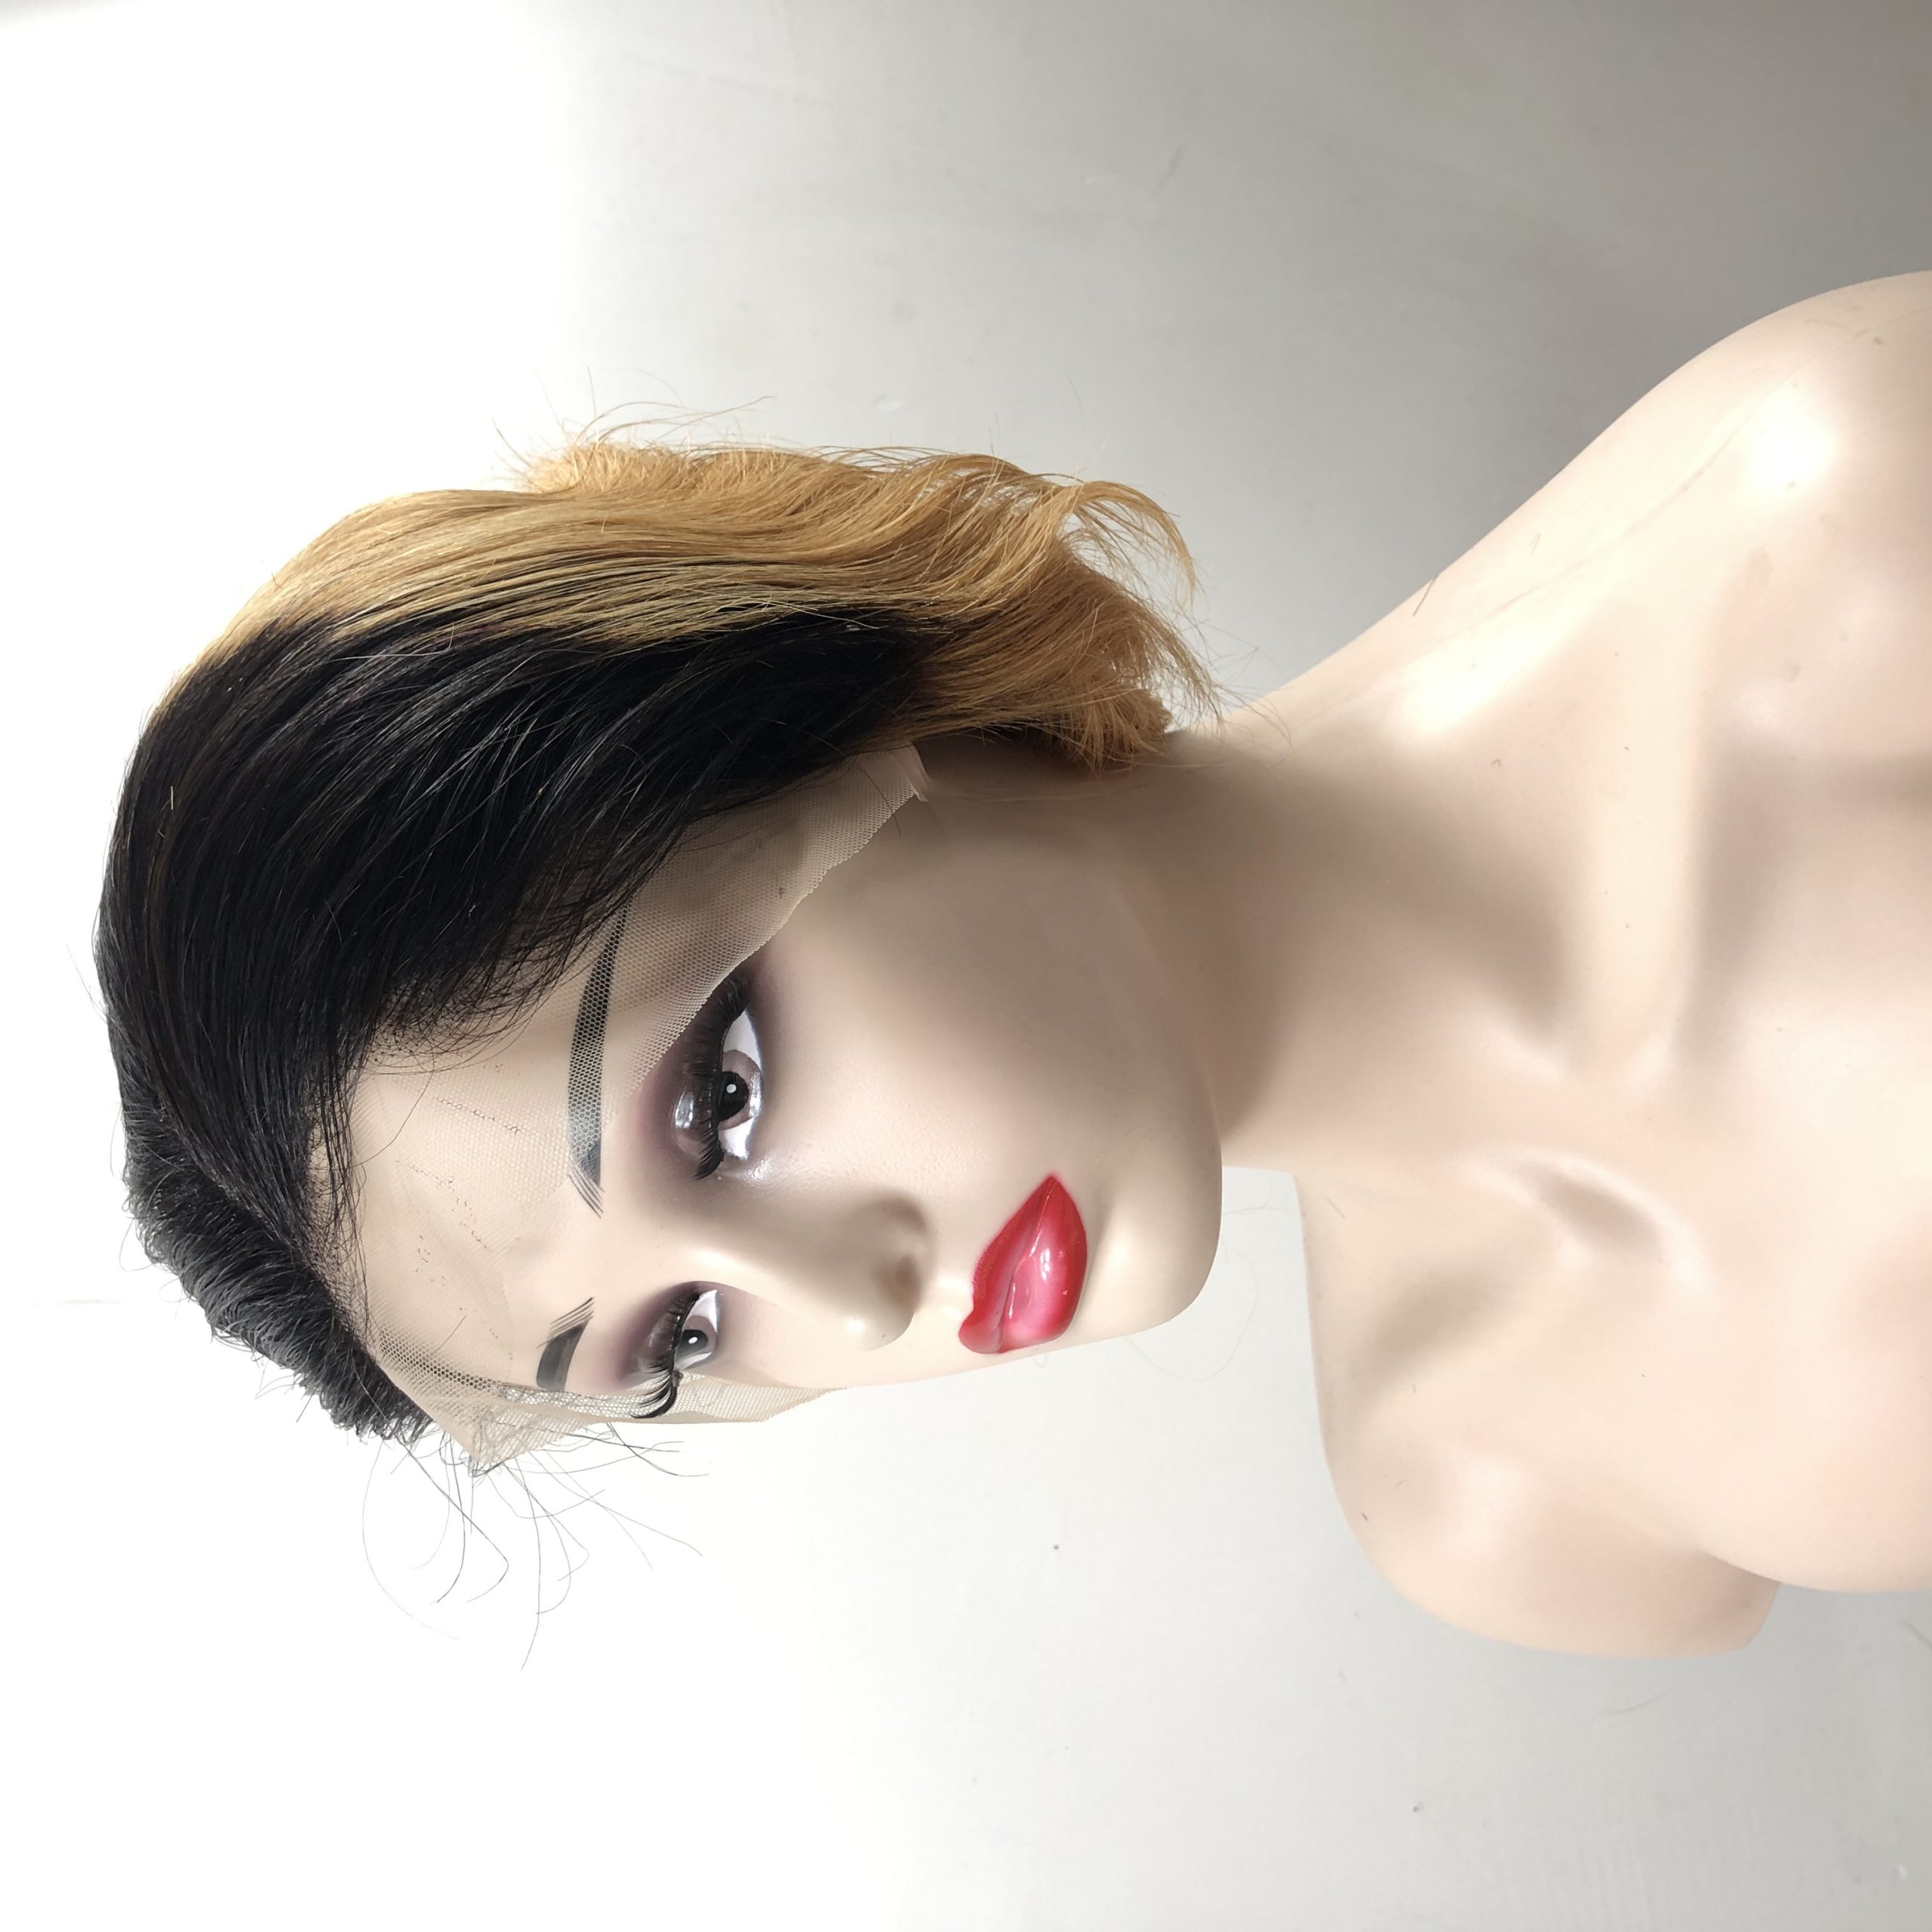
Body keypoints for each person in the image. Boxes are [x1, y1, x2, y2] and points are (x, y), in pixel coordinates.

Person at [97, 270, 1932, 1655]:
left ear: (811, 699)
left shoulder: (1847, 524)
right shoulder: (1491, 1489)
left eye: (721, 1100)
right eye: (681, 1335)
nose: (857, 1293)